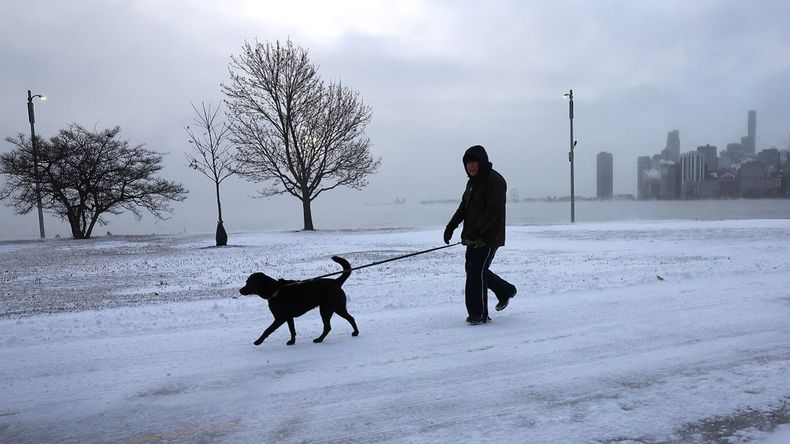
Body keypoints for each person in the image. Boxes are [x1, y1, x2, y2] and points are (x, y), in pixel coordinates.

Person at [444, 145, 517, 325]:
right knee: (474, 270)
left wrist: (479, 230)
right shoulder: (472, 182)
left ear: (481, 161)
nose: (471, 167)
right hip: (473, 236)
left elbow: (494, 210)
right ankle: (505, 290)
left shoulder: (495, 181)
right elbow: (464, 208)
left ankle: (478, 314)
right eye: (468, 163)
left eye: (474, 162)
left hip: (489, 237)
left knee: (476, 272)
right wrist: (451, 226)